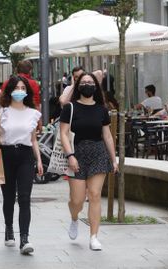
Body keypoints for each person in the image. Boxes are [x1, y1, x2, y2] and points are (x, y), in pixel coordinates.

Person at [59, 72, 118, 251]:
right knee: (76, 200)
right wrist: (70, 156)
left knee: (94, 195)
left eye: (90, 82)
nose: (87, 84)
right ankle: (75, 218)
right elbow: (63, 133)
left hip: (98, 152)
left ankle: (94, 236)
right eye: (83, 82)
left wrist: (113, 159)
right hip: (76, 153)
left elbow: (107, 135)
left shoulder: (102, 109)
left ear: (96, 86)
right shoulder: (70, 108)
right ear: (78, 86)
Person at [0, 75, 43, 254]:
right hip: (6, 155)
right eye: (17, 88)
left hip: (25, 155)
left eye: (23, 88)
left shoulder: (33, 112)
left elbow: (33, 139)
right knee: (8, 197)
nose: (20, 91)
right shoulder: (1, 111)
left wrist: (38, 160)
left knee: (24, 197)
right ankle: (9, 229)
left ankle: (25, 238)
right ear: (9, 90)